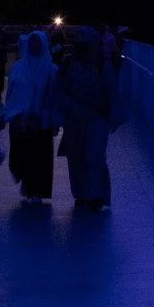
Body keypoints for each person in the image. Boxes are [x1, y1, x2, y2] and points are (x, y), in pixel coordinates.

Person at [54, 26, 115, 211]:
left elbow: (111, 91)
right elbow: (58, 90)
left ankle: (95, 195)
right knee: (76, 157)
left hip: (96, 117)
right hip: (74, 119)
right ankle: (82, 193)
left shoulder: (101, 64)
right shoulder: (68, 64)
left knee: (94, 156)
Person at [0, 30, 57, 203]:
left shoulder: (51, 70)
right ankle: (25, 181)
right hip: (18, 119)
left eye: (38, 42)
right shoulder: (17, 67)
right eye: (32, 42)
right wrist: (4, 115)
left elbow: (54, 97)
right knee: (18, 157)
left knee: (38, 157)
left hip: (40, 120)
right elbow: (11, 94)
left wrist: (54, 120)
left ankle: (35, 191)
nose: (35, 46)